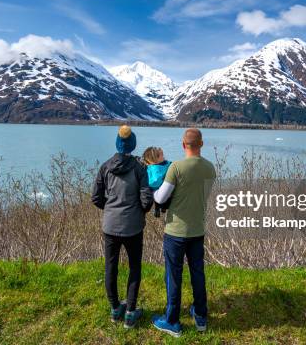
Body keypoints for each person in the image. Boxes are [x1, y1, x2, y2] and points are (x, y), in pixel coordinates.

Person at [151, 128, 216, 337]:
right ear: (202, 144)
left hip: (176, 231)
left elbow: (161, 198)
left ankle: (172, 321)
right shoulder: (210, 168)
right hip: (197, 229)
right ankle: (200, 316)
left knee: (173, 275)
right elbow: (203, 195)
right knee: (198, 272)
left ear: (183, 145)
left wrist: (152, 190)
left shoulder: (176, 168)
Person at [91, 125, 153, 329]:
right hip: (133, 226)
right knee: (135, 267)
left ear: (117, 145)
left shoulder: (105, 166)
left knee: (111, 267)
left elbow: (96, 198)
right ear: (133, 145)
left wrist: (110, 209)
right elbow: (146, 199)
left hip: (110, 225)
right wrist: (138, 211)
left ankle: (115, 308)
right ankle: (130, 313)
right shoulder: (139, 168)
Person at [142, 146, 172, 217]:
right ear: (156, 159)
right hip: (159, 190)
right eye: (160, 155)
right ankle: (159, 208)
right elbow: (154, 181)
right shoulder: (154, 168)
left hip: (162, 191)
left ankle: (160, 208)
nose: (163, 156)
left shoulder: (160, 164)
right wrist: (165, 178)